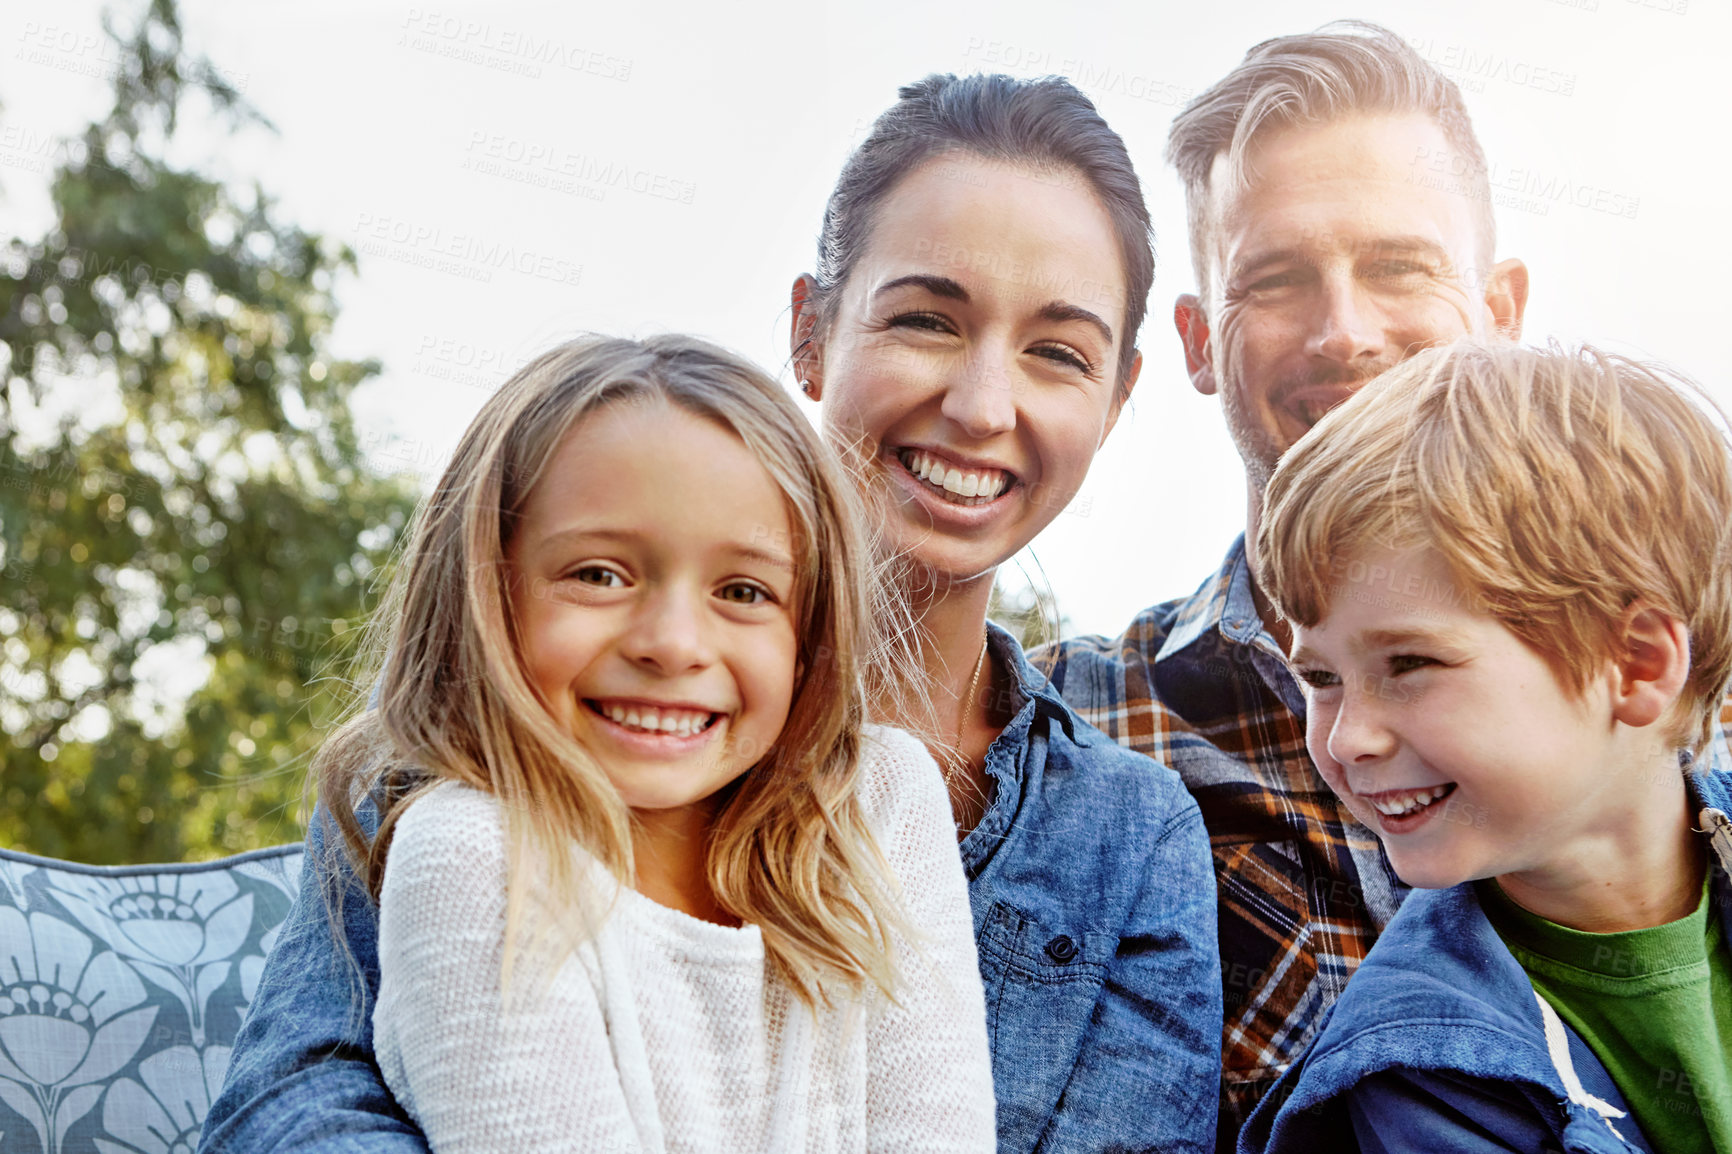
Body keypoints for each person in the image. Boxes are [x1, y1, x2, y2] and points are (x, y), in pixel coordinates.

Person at [201, 74, 1221, 1154]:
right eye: (926, 319)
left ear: (1114, 398)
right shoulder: (458, 769)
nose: (979, 404)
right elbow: (292, 1111)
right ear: (812, 331)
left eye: (1057, 350)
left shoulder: (1124, 835)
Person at [1034, 22, 1528, 1144]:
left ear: (1500, 310)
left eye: (1398, 266)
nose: (1343, 331)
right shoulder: (1069, 732)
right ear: (1202, 341)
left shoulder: (1696, 707)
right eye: (1278, 279)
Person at [343, 334, 994, 1150]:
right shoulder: (471, 855)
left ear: (809, 636)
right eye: (599, 574)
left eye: (744, 591)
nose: (672, 643)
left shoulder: (881, 802)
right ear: (485, 593)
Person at [1238, 340, 1732, 1153]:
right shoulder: (1417, 1075)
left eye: (1410, 665)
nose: (1349, 736)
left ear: (1637, 664)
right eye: (1321, 677)